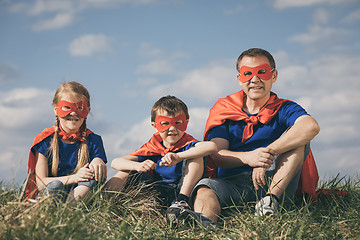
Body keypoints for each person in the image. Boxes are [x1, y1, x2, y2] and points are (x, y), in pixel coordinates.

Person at [189, 48, 320, 226]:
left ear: (274, 76)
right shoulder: (225, 109)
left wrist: (267, 153)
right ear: (239, 79)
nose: (255, 79)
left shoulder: (284, 108)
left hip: (274, 182)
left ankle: (269, 203)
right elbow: (217, 154)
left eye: (262, 72)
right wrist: (248, 158)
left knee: (298, 141)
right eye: (247, 73)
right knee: (205, 188)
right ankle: (207, 227)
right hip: (231, 184)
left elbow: (310, 126)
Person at [104, 95, 217, 224]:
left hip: (184, 190)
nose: (172, 128)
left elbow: (211, 146)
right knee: (125, 170)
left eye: (178, 122)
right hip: (157, 191)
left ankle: (181, 201)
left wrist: (179, 156)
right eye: (165, 123)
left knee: (195, 155)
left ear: (186, 122)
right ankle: (104, 204)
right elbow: (116, 162)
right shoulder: (152, 146)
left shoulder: (188, 143)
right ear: (154, 125)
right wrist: (137, 166)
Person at [24, 81, 107, 202]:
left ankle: (67, 213)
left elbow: (97, 173)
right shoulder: (45, 140)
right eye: (67, 107)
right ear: (56, 109)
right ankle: (52, 214)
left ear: (88, 110)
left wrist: (98, 161)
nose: (73, 113)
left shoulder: (94, 140)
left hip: (80, 199)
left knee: (91, 177)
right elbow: (41, 183)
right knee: (55, 185)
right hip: (51, 197)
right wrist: (74, 178)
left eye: (80, 108)